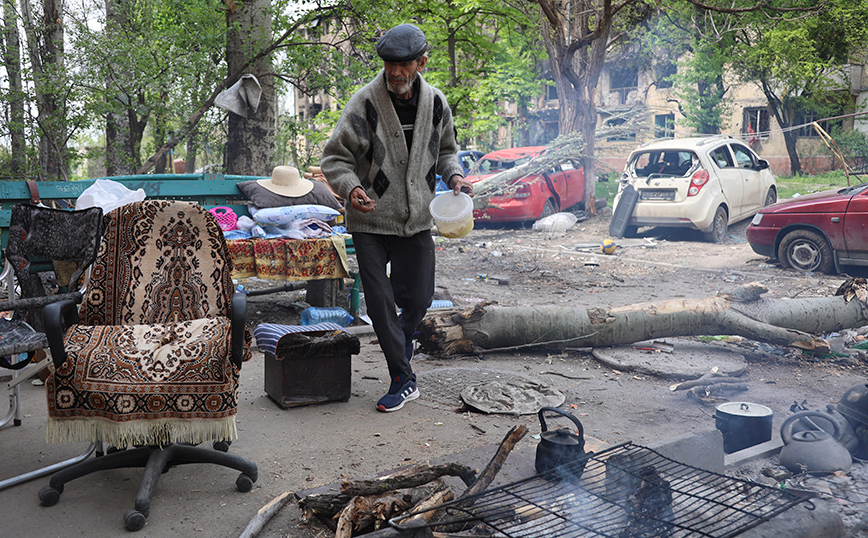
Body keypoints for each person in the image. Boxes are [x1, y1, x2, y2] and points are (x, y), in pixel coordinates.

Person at [321, 23, 473, 412]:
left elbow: (447, 151)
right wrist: (352, 188)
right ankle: (402, 378)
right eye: (389, 64)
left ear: (421, 62)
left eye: (403, 65)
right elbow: (336, 159)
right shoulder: (364, 103)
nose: (395, 72)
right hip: (369, 220)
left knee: (419, 299)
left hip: (417, 219)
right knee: (380, 303)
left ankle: (398, 342)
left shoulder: (437, 103)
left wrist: (454, 175)